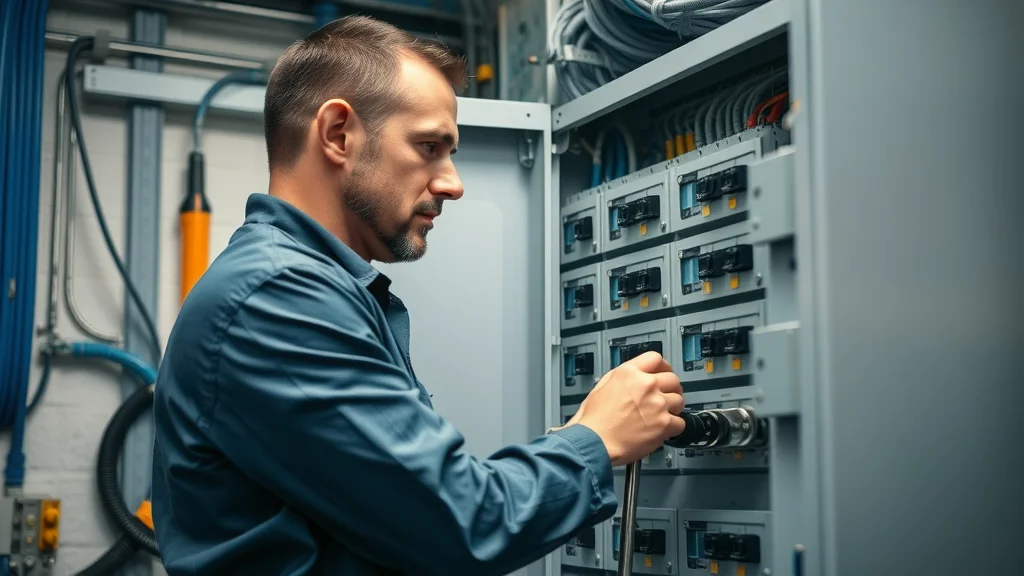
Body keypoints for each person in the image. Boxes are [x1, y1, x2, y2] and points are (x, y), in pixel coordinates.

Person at [151, 15, 687, 576]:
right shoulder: (277, 298)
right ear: (338, 134)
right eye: (429, 147)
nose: (452, 183)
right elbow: (463, 521)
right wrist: (598, 439)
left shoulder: (313, 288)